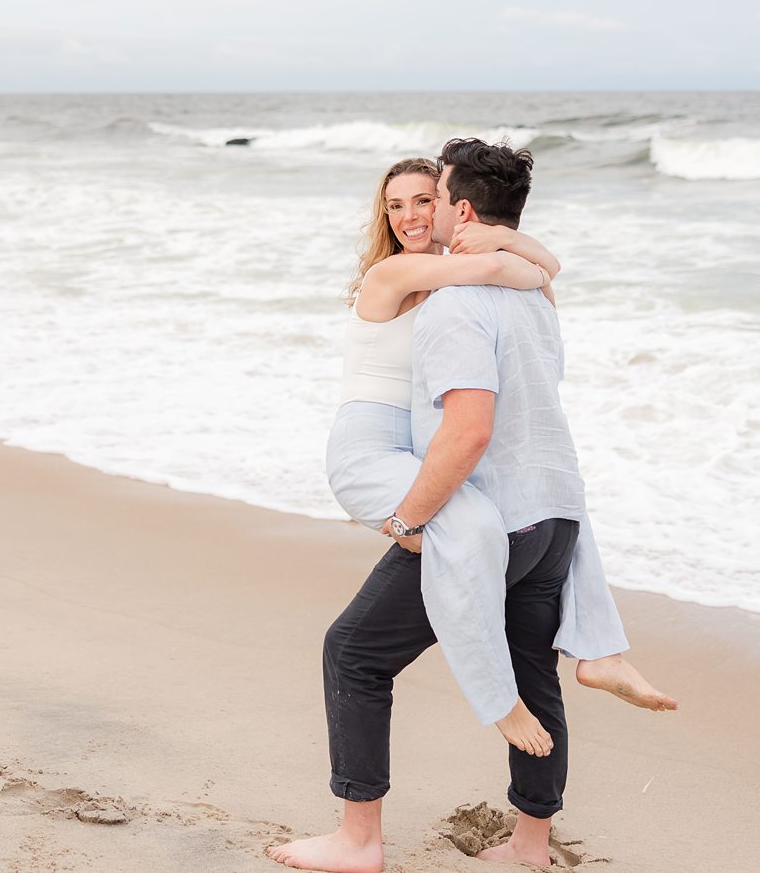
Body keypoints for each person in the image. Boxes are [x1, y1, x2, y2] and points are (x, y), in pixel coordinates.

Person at [269, 147, 673, 873]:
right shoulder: (400, 278)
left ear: (451, 206)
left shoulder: (458, 299)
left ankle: (404, 834)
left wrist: (519, 250)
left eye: (424, 199)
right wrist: (519, 247)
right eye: (395, 206)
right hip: (377, 455)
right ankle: (575, 672)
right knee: (499, 563)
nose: (410, 216)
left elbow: (509, 301)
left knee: (360, 649)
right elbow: (517, 272)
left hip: (447, 478)